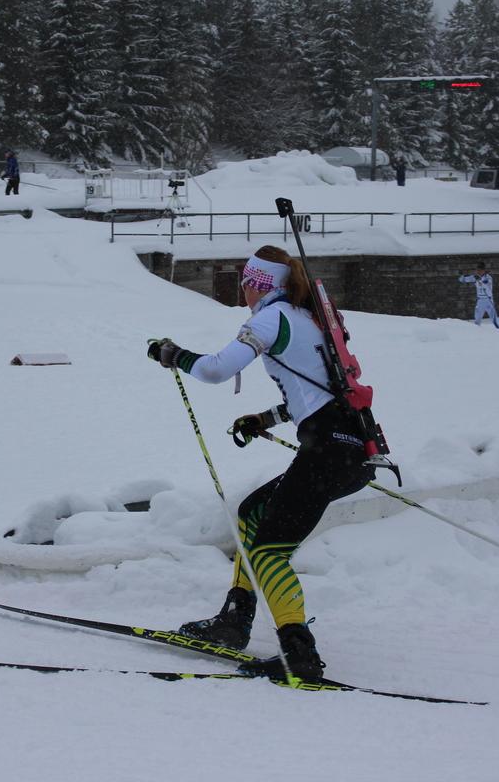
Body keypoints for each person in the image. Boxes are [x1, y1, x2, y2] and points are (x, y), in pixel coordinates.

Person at [146, 245, 376, 680]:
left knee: (270, 550)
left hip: (328, 451)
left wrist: (173, 355)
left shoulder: (271, 318)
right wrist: (266, 419)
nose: (243, 290)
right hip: (354, 449)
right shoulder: (309, 317)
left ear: (258, 284)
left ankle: (299, 655)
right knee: (253, 513)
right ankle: (234, 621)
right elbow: (319, 393)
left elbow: (215, 370)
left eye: (246, 282)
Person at [458, 261, 499, 328]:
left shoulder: (488, 278)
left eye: (480, 270)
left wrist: (480, 280)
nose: (478, 271)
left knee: (494, 320)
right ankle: (477, 332)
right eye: (477, 270)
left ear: (484, 270)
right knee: (477, 320)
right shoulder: (475, 277)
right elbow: (463, 280)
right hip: (480, 301)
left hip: (488, 300)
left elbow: (487, 288)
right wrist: (461, 276)